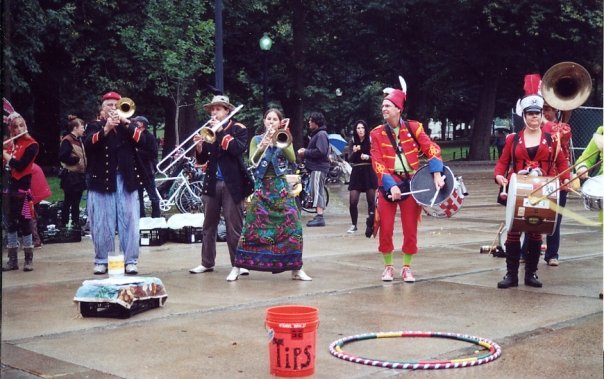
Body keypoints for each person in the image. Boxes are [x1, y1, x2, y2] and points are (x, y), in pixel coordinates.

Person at [494, 94, 570, 289]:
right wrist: (499, 176)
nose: (534, 117)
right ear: (524, 115)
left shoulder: (551, 140)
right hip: (518, 190)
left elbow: (562, 162)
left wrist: (566, 179)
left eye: (537, 113)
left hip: (542, 191)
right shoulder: (513, 139)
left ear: (541, 116)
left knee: (536, 231)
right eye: (530, 114)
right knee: (513, 230)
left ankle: (531, 274)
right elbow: (502, 163)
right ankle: (511, 275)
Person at [370, 89, 445, 282]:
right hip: (389, 184)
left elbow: (432, 149)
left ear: (398, 109)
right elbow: (377, 162)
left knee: (410, 229)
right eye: (383, 106)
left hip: (411, 183)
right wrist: (389, 185)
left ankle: (406, 267)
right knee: (385, 228)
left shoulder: (414, 128)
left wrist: (437, 173)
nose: (383, 108)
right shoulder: (376, 133)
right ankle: (388, 267)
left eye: (387, 106)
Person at [234, 108, 311, 281]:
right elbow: (252, 161)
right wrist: (263, 145)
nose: (271, 122)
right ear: (264, 121)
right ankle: (237, 266)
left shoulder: (284, 136)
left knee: (294, 225)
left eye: (274, 119)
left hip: (280, 186)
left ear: (279, 122)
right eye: (268, 119)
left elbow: (292, 158)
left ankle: (296, 268)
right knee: (251, 227)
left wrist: (280, 141)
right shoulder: (256, 139)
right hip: (262, 187)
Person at [189, 95, 254, 281]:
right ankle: (207, 262)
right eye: (212, 109)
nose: (214, 112)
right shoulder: (208, 130)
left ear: (227, 111)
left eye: (218, 109)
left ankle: (239, 264)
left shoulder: (238, 129)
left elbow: (237, 150)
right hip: (212, 182)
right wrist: (200, 147)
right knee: (208, 225)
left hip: (233, 183)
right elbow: (203, 160)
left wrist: (220, 131)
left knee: (234, 226)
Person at [84, 91, 147, 275]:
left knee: (130, 220)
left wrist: (126, 123)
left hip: (126, 179)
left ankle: (131, 261)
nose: (113, 108)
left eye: (116, 105)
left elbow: (142, 142)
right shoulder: (94, 126)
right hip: (102, 179)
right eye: (109, 105)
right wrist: (106, 129)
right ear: (102, 109)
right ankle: (102, 260)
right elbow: (88, 145)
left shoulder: (129, 125)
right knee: (102, 221)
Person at [2, 112, 39, 271]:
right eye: (15, 127)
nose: (18, 129)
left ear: (25, 126)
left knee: (25, 223)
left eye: (21, 125)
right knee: (10, 224)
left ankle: (28, 259)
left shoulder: (32, 145)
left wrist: (4, 154)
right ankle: (12, 260)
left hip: (22, 189)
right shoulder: (10, 144)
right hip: (7, 189)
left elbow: (20, 165)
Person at [539, 101, 573, 266]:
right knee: (533, 216)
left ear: (555, 111)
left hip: (558, 180)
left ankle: (552, 255)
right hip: (540, 180)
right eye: (542, 110)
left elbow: (559, 135)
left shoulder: (563, 128)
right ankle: (527, 250)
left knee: (555, 220)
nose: (544, 113)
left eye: (547, 110)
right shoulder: (533, 129)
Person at [297, 112, 330, 227]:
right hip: (317, 167)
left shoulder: (321, 134)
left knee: (317, 191)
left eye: (311, 120)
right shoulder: (319, 134)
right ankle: (318, 215)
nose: (309, 122)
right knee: (316, 190)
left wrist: (305, 152)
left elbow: (321, 151)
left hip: (318, 168)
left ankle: (320, 216)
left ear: (316, 122)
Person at [346, 120, 377, 235]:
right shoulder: (353, 141)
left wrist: (368, 157)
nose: (360, 130)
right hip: (357, 171)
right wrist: (354, 152)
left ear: (365, 129)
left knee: (371, 200)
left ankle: (371, 223)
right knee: (353, 201)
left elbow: (376, 156)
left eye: (362, 128)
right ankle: (354, 224)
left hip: (369, 171)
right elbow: (350, 159)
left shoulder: (370, 140)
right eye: (358, 128)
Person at [58, 115, 87, 228]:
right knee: (69, 201)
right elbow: (62, 156)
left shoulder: (78, 140)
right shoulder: (68, 140)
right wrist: (75, 160)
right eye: (82, 127)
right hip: (70, 176)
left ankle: (75, 223)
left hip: (78, 175)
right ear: (75, 128)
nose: (83, 129)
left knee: (76, 202)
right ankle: (65, 223)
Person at [133, 116, 161, 218]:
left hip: (147, 170)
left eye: (137, 122)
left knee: (153, 196)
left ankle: (156, 218)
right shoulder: (135, 136)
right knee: (138, 197)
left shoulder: (149, 137)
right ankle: (141, 218)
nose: (135, 123)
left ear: (142, 124)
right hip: (137, 170)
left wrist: (138, 152)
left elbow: (153, 153)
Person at [30, 163, 52, 248]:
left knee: (31, 216)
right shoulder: (31, 164)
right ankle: (37, 238)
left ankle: (36, 239)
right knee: (33, 215)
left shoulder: (24, 165)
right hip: (37, 192)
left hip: (33, 193)